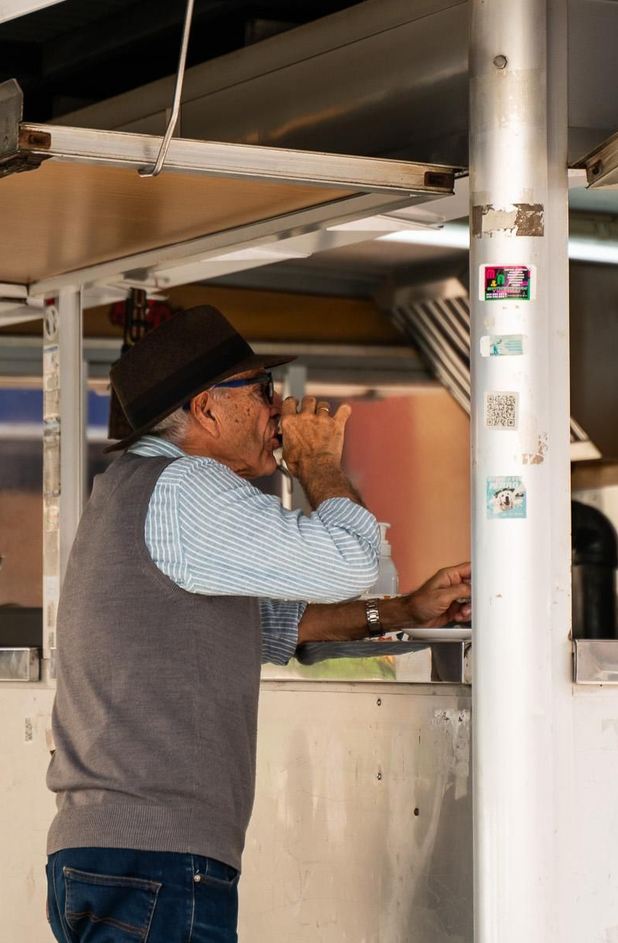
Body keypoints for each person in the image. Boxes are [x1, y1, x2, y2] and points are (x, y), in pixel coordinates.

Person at [44, 305, 470, 943]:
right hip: (155, 858)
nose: (282, 406)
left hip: (115, 855)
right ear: (208, 408)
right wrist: (318, 463)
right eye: (263, 390)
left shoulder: (135, 488)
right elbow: (350, 561)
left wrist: (404, 611)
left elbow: (272, 625)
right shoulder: (188, 486)